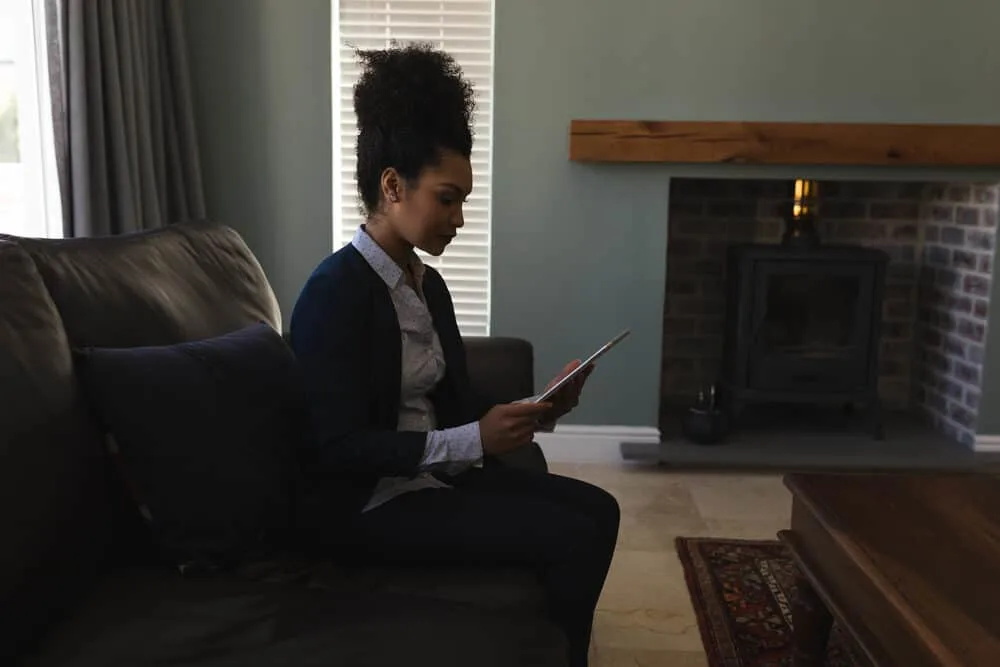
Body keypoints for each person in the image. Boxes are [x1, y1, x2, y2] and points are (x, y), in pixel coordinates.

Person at [288, 43, 619, 667]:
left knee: (601, 509)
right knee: (574, 535)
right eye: (447, 198)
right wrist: (471, 443)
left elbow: (455, 401)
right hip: (369, 506)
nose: (460, 218)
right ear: (392, 187)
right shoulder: (333, 294)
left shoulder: (426, 284)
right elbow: (336, 448)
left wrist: (536, 410)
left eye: (463, 199)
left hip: (430, 478)